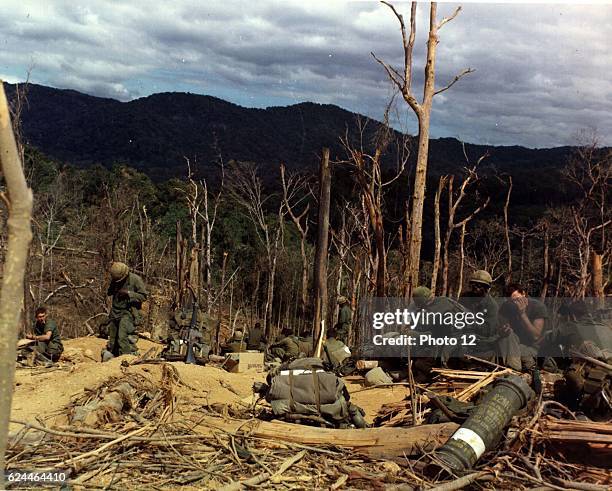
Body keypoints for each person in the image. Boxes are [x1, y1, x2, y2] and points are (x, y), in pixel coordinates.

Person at [499, 283, 548, 370]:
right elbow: (502, 328)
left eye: (517, 299)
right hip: (514, 345)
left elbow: (535, 336)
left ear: (524, 294)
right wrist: (504, 330)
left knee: (515, 352)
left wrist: (522, 314)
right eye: (511, 301)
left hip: (534, 348)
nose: (515, 303)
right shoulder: (506, 307)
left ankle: (513, 370)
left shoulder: (538, 307)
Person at [104, 261, 148, 359]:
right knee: (113, 339)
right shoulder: (116, 280)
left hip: (128, 311)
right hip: (115, 311)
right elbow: (109, 292)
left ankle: (126, 358)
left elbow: (144, 296)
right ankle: (113, 358)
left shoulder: (135, 279)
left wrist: (129, 293)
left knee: (122, 337)